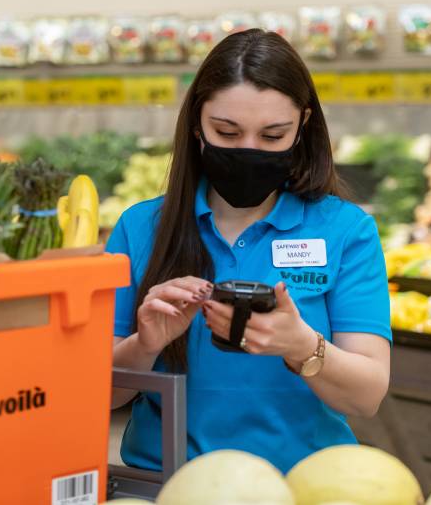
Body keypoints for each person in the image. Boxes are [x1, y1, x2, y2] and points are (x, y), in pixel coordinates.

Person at [106, 28, 391, 474]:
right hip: (169, 485)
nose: (248, 151)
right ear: (197, 125)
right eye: (227, 131)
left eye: (273, 135)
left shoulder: (345, 230)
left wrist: (302, 346)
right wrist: (146, 344)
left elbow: (367, 395)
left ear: (303, 127)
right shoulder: (141, 228)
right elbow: (101, 395)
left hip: (304, 485)